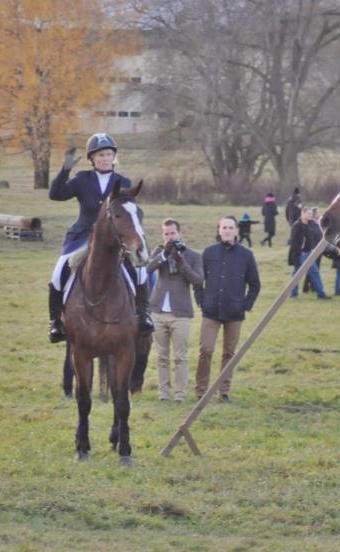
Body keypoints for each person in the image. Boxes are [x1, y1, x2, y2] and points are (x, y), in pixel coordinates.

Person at [47, 133, 153, 342]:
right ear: (92, 159)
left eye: (108, 154)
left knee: (139, 270)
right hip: (82, 236)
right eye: (100, 155)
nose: (105, 158)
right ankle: (55, 322)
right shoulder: (81, 179)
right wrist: (65, 170)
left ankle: (143, 313)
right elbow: (56, 194)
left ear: (114, 156)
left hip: (113, 238)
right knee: (59, 271)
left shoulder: (123, 181)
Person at [196, 216, 261, 402]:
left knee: (229, 353)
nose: (227, 230)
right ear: (219, 230)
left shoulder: (246, 255)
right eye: (224, 227)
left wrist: (245, 304)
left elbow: (255, 284)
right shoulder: (208, 253)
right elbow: (198, 281)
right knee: (206, 350)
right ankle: (201, 391)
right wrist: (201, 300)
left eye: (230, 227)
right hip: (211, 311)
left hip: (234, 312)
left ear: (236, 231)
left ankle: (223, 391)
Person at [146, 218, 204, 402]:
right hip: (158, 311)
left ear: (179, 233)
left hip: (181, 313)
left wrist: (181, 261)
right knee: (162, 356)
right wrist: (164, 254)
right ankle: (163, 394)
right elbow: (147, 268)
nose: (170, 237)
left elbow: (197, 280)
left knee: (181, 356)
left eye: (172, 233)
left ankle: (180, 395)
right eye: (166, 234)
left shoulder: (193, 255)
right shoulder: (159, 251)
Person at [288, 207, 332, 299]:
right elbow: (294, 243)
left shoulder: (311, 224)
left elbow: (314, 237)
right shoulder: (297, 226)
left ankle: (320, 293)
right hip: (301, 254)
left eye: (311, 214)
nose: (310, 216)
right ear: (302, 213)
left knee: (314, 272)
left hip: (309, 253)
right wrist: (296, 258)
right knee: (297, 274)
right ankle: (293, 293)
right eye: (308, 214)